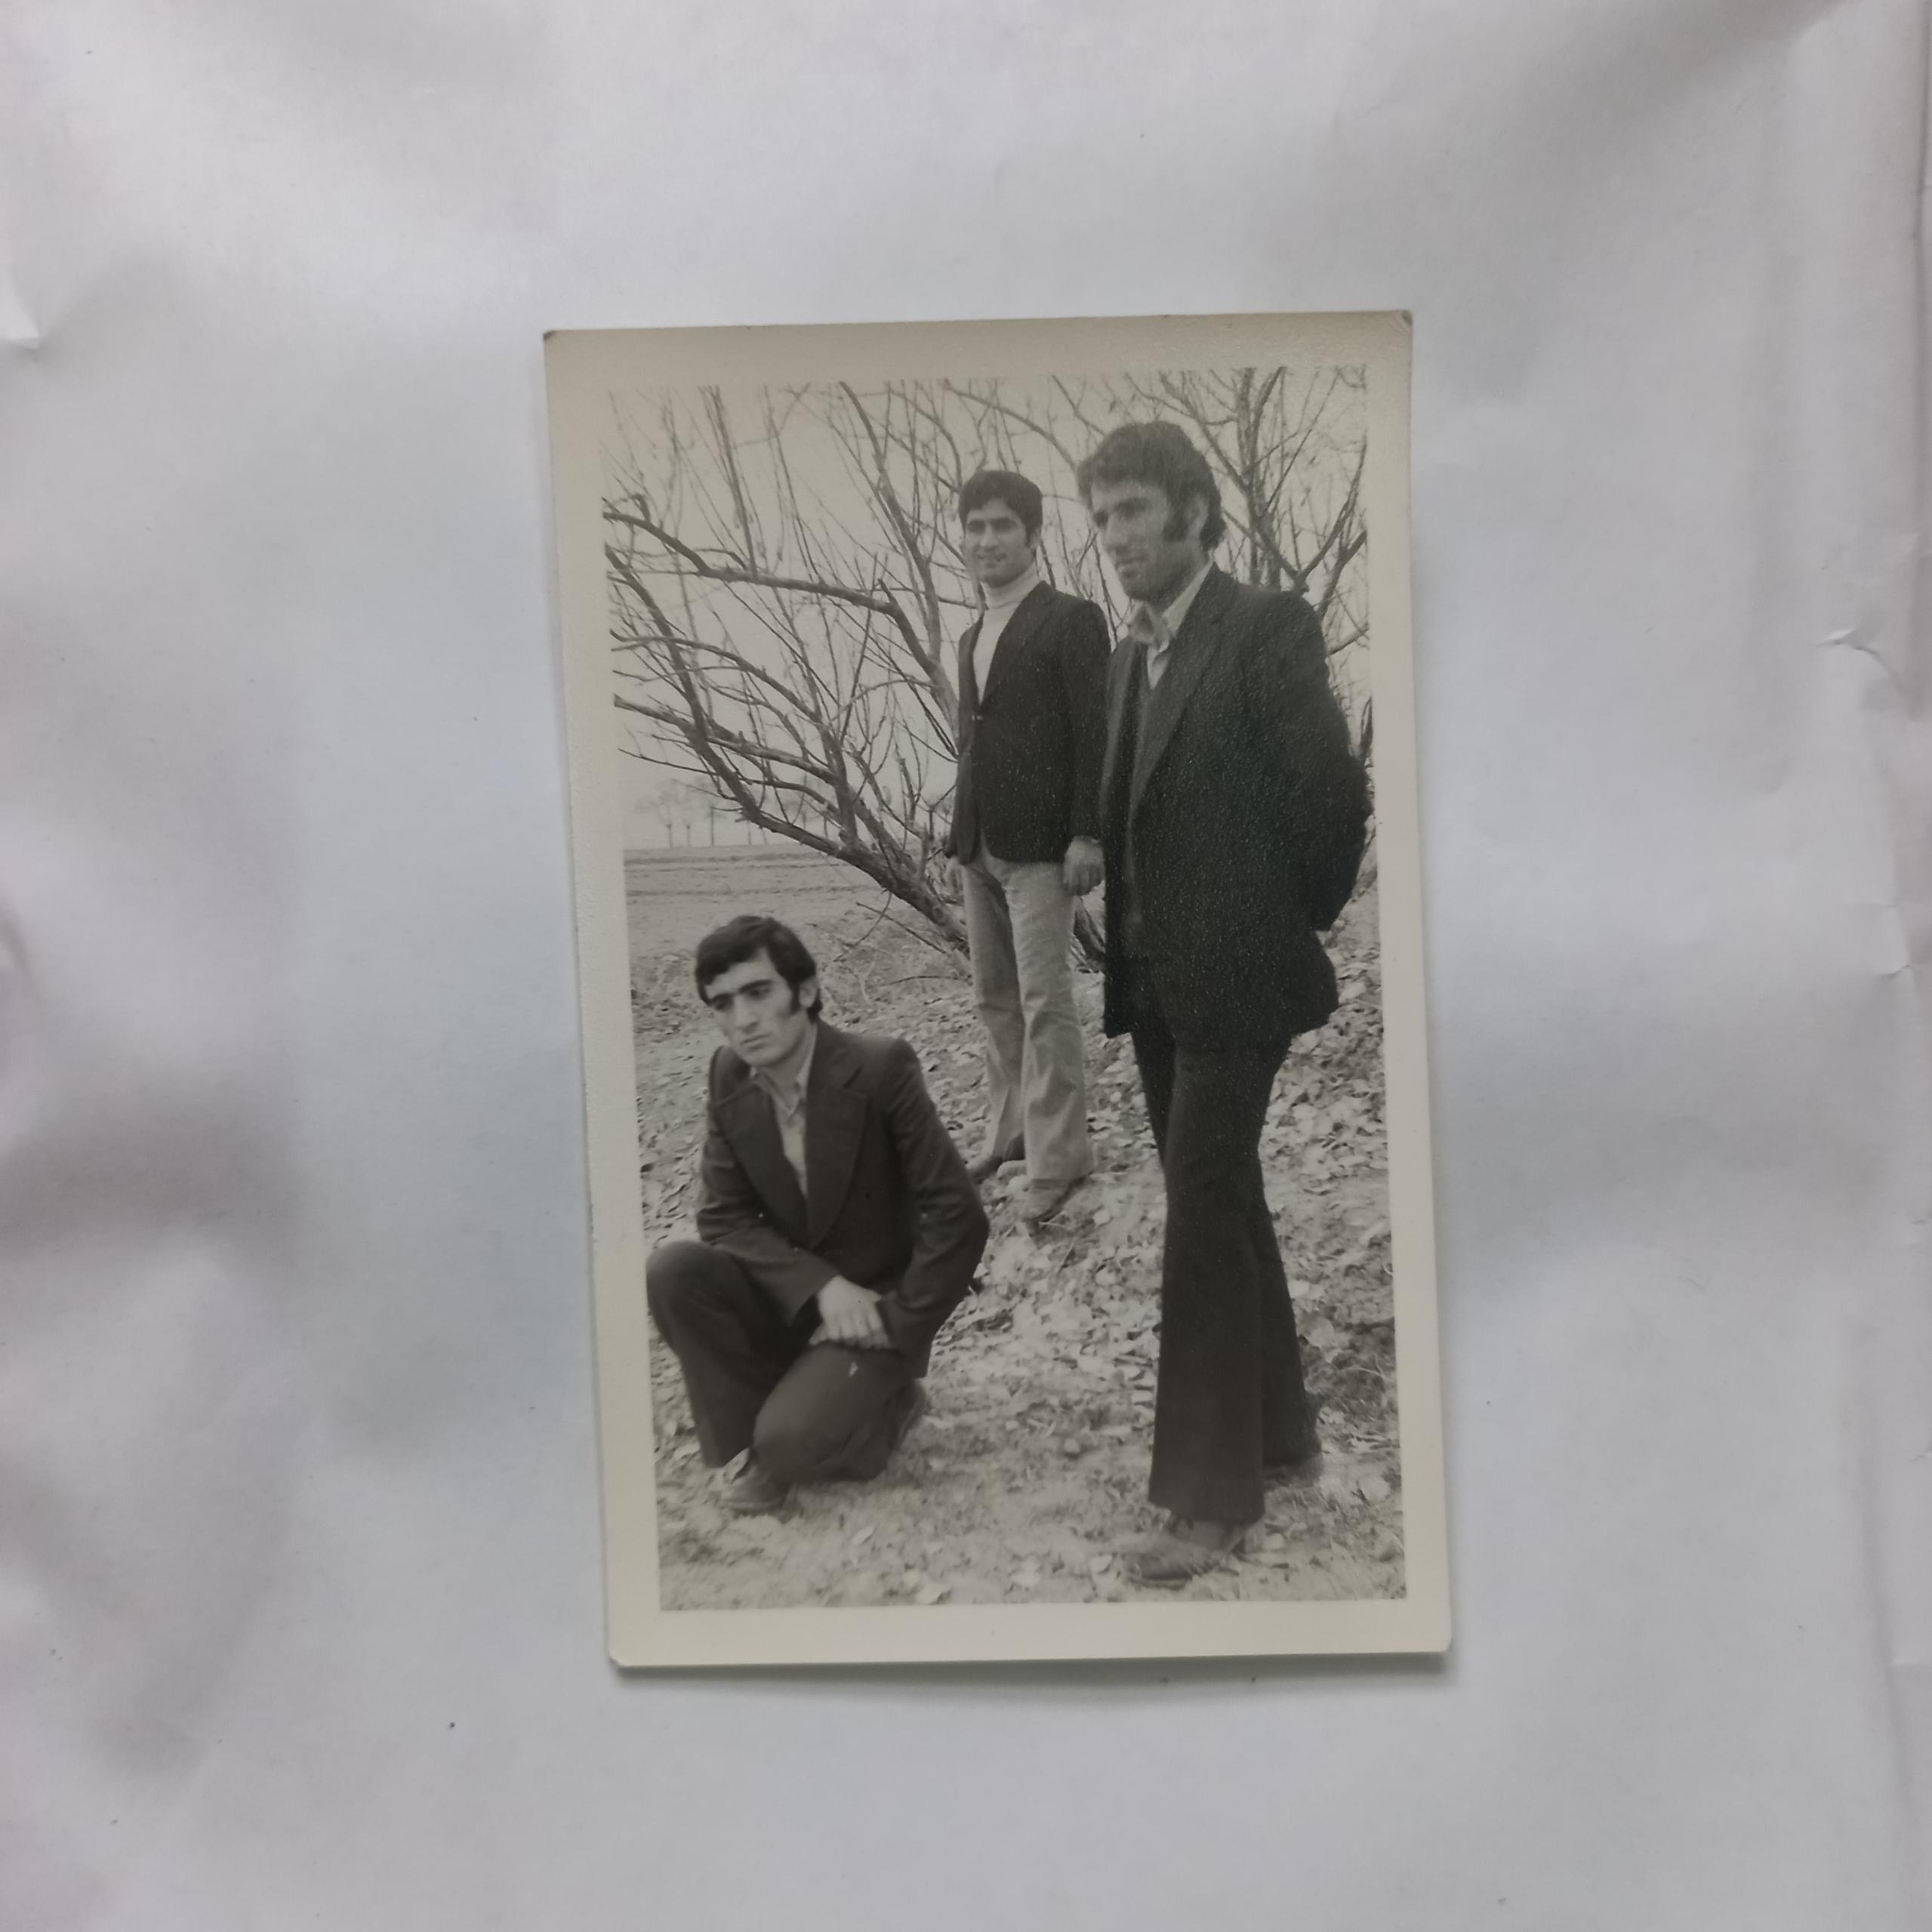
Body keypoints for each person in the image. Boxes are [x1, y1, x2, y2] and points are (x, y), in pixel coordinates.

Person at [1080, 422, 1371, 1585]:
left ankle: (1206, 1502)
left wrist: (1283, 919)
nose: (1113, 538)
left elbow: (1330, 796)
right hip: (1155, 981)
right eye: (1100, 518)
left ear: (1194, 511)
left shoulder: (1263, 626)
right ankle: (1279, 1435)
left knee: (1198, 1209)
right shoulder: (1126, 656)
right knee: (1224, 1193)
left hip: (1239, 976)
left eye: (1131, 512)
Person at [645, 915, 989, 1515]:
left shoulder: (879, 1067)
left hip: (876, 1311)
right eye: (722, 1004)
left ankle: (887, 1400)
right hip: (793, 1299)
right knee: (672, 1270)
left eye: (758, 992)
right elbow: (723, 1218)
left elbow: (957, 1216)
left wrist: (897, 1325)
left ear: (804, 991)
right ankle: (765, 1440)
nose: (742, 1019)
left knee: (796, 1442)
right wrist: (821, 1287)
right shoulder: (727, 1073)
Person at [944, 467, 1111, 1224]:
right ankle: (1012, 1136)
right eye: (974, 527)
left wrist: (1088, 832)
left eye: (1001, 526)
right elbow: (974, 740)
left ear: (1033, 535)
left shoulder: (1070, 620)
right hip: (977, 842)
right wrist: (959, 831)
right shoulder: (970, 635)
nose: (987, 540)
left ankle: (1061, 1158)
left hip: (1043, 847)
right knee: (994, 999)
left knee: (1046, 1004)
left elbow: (1095, 733)